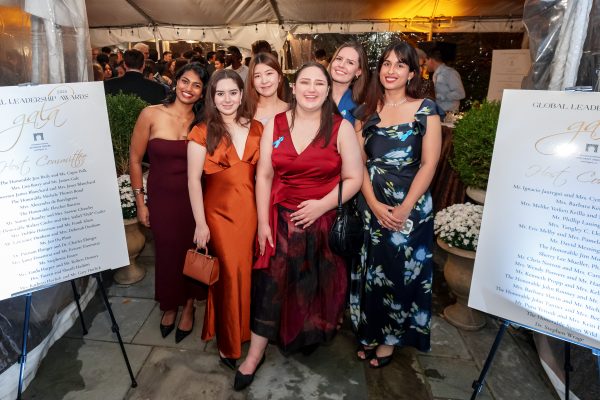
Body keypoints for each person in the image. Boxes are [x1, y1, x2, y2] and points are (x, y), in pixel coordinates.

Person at [234, 62, 363, 391]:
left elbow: (354, 178)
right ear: (293, 87)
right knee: (270, 287)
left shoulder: (341, 128)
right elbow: (264, 175)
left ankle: (304, 334)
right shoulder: (276, 124)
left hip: (322, 223)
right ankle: (255, 354)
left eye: (319, 83)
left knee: (312, 286)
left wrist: (321, 205)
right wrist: (262, 222)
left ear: (327, 90)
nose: (311, 89)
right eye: (305, 82)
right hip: (280, 221)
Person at [350, 41, 442, 368]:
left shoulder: (426, 109)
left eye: (400, 65)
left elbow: (429, 164)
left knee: (401, 275)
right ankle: (370, 332)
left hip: (411, 208)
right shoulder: (365, 112)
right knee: (372, 271)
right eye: (387, 64)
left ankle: (389, 340)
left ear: (412, 73)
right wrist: (373, 204)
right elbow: (358, 164)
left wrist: (405, 208)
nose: (392, 70)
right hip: (371, 204)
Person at [187, 69, 263, 369]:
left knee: (247, 274)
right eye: (220, 94)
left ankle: (243, 331)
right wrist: (200, 223)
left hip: (251, 212)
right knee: (229, 275)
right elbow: (193, 180)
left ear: (242, 95)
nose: (227, 99)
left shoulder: (258, 128)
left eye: (233, 92)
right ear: (212, 97)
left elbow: (266, 176)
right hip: (217, 216)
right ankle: (228, 346)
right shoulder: (201, 131)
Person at [129, 63, 210, 343]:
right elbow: (135, 160)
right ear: (175, 82)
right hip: (162, 199)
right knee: (167, 254)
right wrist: (141, 202)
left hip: (195, 200)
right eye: (185, 81)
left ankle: (188, 306)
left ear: (203, 93)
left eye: (197, 85)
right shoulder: (150, 114)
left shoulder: (204, 123)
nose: (189, 88)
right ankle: (170, 305)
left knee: (192, 251)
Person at [328, 41, 368, 125]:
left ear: (358, 71)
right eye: (339, 59)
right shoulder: (313, 94)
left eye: (350, 62)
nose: (341, 65)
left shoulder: (359, 108)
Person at [242, 52, 289, 125]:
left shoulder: (292, 110)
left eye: (269, 73)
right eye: (257, 76)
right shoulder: (244, 113)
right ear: (252, 81)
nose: (264, 81)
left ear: (279, 77)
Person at [424, 47, 465, 113]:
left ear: (431, 60)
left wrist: (440, 96)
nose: (425, 64)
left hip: (449, 114)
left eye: (425, 61)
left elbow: (461, 93)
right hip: (438, 113)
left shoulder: (450, 73)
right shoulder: (435, 74)